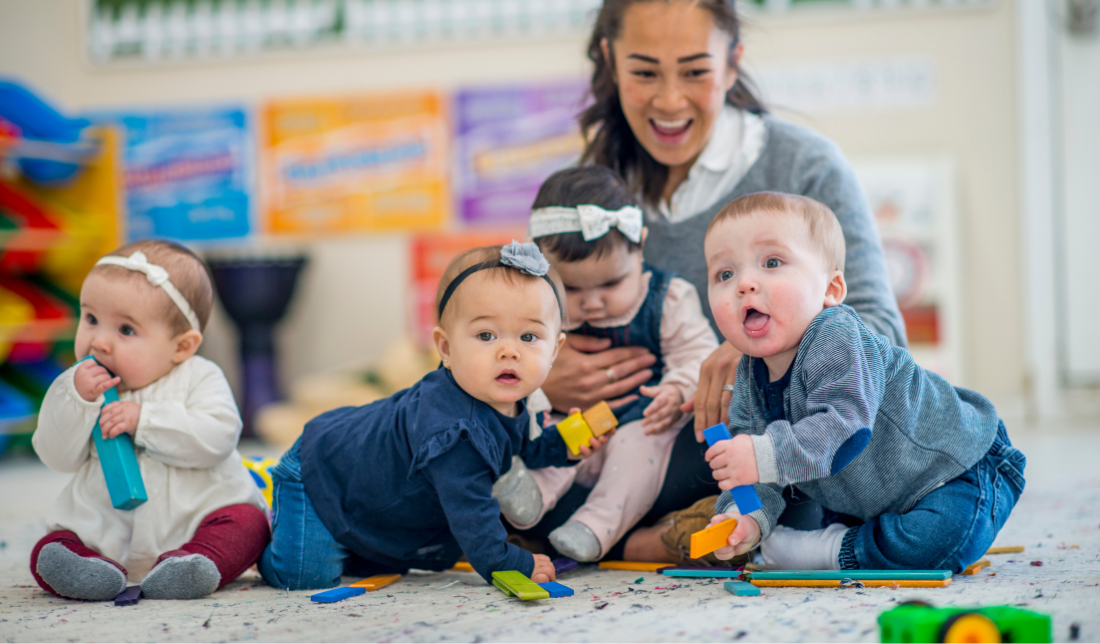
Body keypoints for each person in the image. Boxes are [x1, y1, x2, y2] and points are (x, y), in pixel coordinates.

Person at [531, 0, 907, 563]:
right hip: (609, 433)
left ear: (732, 63)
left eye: (695, 71)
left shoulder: (803, 166)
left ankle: (632, 539)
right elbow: (524, 306)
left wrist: (752, 349)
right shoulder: (594, 189)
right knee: (484, 450)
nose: (669, 100)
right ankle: (642, 535)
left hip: (730, 437)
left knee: (768, 474)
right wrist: (542, 368)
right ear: (610, 62)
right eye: (643, 72)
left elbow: (882, 336)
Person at [702, 192, 1025, 571]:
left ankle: (826, 552)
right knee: (860, 522)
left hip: (956, 469)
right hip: (866, 498)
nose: (744, 284)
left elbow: (844, 427)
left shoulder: (837, 334)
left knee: (938, 541)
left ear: (830, 290)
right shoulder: (749, 374)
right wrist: (744, 519)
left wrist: (759, 454)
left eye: (772, 262)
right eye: (725, 274)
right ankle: (843, 542)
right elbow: (760, 473)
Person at [258, 243, 610, 590]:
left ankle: (343, 539)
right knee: (306, 575)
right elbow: (472, 519)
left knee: (369, 561)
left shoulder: (517, 399)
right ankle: (260, 530)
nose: (509, 352)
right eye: (486, 335)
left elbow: (522, 446)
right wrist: (512, 563)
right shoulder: (455, 433)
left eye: (529, 336)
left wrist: (563, 445)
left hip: (366, 491)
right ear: (445, 348)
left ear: (554, 350)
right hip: (320, 472)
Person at [493, 166, 718, 562]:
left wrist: (678, 389)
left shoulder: (667, 299)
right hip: (572, 422)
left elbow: (699, 355)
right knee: (549, 438)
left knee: (636, 452)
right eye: (573, 288)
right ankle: (529, 500)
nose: (593, 302)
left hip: (641, 422)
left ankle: (595, 527)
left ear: (640, 248)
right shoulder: (535, 306)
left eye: (611, 284)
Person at [30, 240, 270, 601]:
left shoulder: (199, 376)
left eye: (125, 330)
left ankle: (194, 563)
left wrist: (146, 420)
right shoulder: (77, 388)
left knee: (250, 524)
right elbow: (55, 455)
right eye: (91, 319)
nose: (99, 342)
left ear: (182, 347)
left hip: (196, 517)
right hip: (104, 528)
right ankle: (84, 568)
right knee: (53, 545)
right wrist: (76, 401)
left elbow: (218, 436)